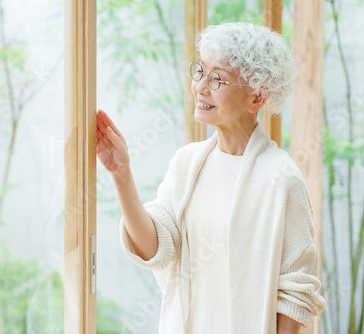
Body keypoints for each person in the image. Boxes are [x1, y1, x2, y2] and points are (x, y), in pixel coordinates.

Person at [96, 22, 326, 334]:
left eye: (218, 79)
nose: (201, 86)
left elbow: (296, 290)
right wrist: (121, 174)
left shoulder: (281, 179)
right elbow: (153, 248)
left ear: (256, 98)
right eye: (200, 71)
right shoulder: (187, 163)